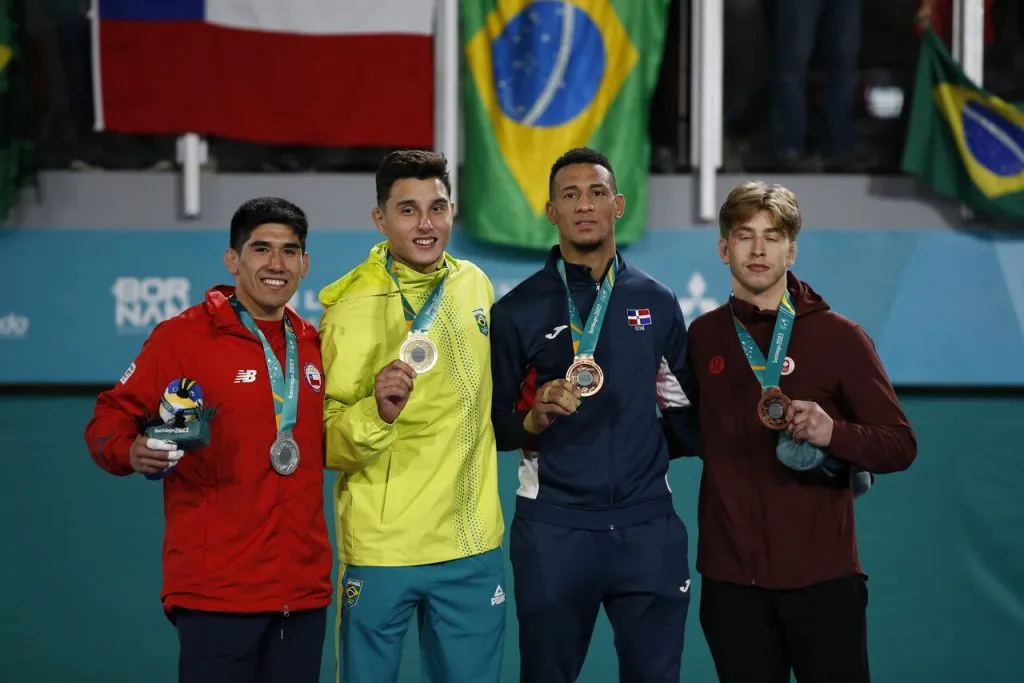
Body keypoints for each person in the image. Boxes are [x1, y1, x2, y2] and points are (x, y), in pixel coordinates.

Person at [83, 197, 333, 683]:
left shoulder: (315, 344)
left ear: (304, 264)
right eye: (261, 249)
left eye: (290, 251)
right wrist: (130, 450)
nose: (276, 264)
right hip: (217, 593)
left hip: (301, 591)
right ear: (233, 260)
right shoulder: (182, 338)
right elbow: (108, 418)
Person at [684, 180, 917, 683]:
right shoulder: (703, 337)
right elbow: (681, 429)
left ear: (792, 249)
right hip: (731, 584)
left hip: (823, 581)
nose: (759, 249)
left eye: (773, 236)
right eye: (745, 236)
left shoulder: (839, 336)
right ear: (724, 248)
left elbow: (900, 445)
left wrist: (834, 433)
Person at [489, 146, 701, 683]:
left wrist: (639, 450)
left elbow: (685, 414)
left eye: (597, 192)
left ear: (618, 205)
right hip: (554, 529)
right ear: (551, 211)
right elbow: (494, 426)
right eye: (570, 194)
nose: (585, 205)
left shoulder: (655, 301)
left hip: (647, 526)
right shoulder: (517, 310)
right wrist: (533, 421)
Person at [318, 149, 506, 683]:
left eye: (438, 207)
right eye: (408, 210)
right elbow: (328, 441)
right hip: (383, 550)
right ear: (380, 218)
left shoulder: (475, 284)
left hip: (471, 545)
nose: (426, 224)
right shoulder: (350, 307)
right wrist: (376, 414)